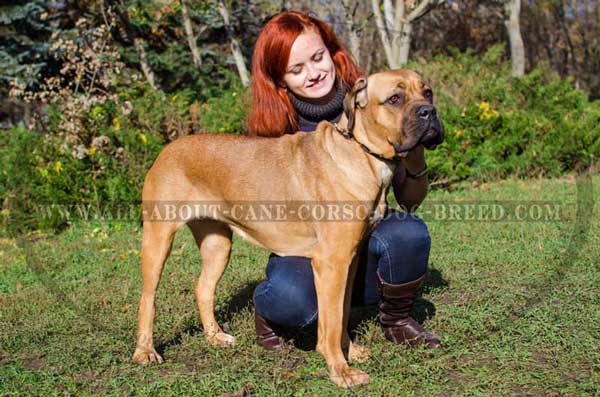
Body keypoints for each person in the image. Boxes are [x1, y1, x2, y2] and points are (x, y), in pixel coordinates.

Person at [246, 11, 440, 350]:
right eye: (296, 69)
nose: (314, 72)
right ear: (280, 80)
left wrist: (416, 147)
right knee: (294, 301)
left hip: (367, 228)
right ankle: (271, 309)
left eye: (318, 57)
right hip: (303, 242)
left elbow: (409, 200)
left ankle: (395, 319)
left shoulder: (372, 97)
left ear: (332, 51)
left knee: (408, 232)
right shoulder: (273, 130)